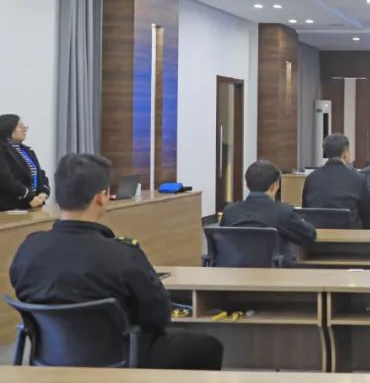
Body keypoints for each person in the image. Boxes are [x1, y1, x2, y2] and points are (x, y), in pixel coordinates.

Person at [10, 153, 223, 370]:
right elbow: (158, 316)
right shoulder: (123, 255)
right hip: (122, 358)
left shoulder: (28, 249)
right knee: (207, 346)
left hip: (49, 358)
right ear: (102, 197)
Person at [221, 161, 318, 255]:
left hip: (234, 265)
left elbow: (223, 239)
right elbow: (309, 235)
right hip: (273, 265)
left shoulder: (229, 211)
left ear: (247, 185)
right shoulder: (284, 212)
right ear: (273, 186)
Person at [302, 133, 370, 228]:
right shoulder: (358, 178)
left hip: (317, 233)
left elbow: (306, 208)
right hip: (349, 234)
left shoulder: (312, 178)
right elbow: (369, 211)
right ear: (345, 153)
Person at [0, 114, 50, 212]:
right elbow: (5, 179)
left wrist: (44, 192)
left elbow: (40, 174)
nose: (24, 130)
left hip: (34, 205)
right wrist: (29, 196)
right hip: (11, 207)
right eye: (20, 126)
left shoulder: (28, 151)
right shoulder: (2, 149)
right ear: (8, 128)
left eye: (24, 127)